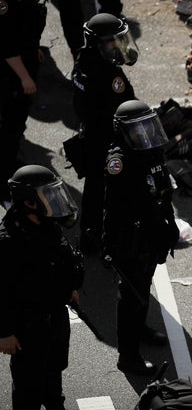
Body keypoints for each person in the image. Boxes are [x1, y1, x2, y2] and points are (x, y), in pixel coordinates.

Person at [103, 100, 180, 375]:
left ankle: (140, 328)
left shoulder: (151, 153)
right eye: (139, 130)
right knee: (131, 297)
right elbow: (119, 206)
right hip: (130, 238)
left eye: (148, 127)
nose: (146, 135)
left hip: (151, 234)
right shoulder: (120, 163)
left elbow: (161, 192)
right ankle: (128, 356)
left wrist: (168, 225)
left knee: (142, 289)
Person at [0, 165, 84, 409]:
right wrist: (4, 333)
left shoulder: (48, 225)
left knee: (53, 384)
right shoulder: (9, 241)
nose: (54, 199)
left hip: (54, 317)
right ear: (28, 201)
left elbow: (58, 262)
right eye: (47, 194)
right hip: (27, 327)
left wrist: (69, 289)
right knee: (28, 392)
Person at [72, 13, 138, 255]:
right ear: (99, 42)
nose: (118, 45)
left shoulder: (84, 58)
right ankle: (100, 241)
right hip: (106, 140)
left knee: (93, 190)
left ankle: (90, 237)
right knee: (105, 193)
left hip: (91, 135)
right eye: (113, 41)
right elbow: (125, 106)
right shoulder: (110, 75)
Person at [0, 0, 46, 204]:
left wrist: (34, 48)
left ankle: (10, 158)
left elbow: (24, 28)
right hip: (12, 73)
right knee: (10, 123)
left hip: (24, 59)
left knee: (15, 125)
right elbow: (6, 45)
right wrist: (24, 76)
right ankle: (4, 180)